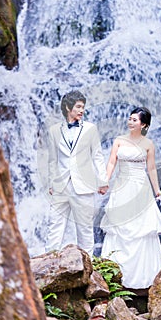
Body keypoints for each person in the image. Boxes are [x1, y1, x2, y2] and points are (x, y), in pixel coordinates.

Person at [100, 106, 161, 289]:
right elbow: (112, 162)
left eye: (134, 120)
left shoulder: (148, 144)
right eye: (129, 119)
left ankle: (144, 279)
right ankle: (115, 277)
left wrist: (157, 190)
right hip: (121, 187)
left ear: (143, 124)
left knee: (141, 230)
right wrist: (105, 181)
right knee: (119, 228)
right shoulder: (119, 141)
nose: (130, 122)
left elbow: (151, 168)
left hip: (140, 189)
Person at [45, 90, 108, 256]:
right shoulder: (53, 131)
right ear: (67, 107)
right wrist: (51, 183)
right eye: (78, 107)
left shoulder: (90, 129)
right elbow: (52, 160)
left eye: (83, 107)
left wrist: (103, 181)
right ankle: (47, 267)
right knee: (54, 227)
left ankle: (88, 271)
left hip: (84, 186)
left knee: (85, 230)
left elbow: (97, 156)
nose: (82, 110)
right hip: (60, 186)